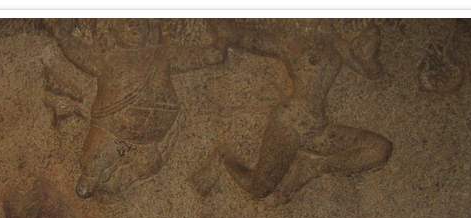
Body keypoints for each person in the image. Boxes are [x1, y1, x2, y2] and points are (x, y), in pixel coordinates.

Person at [194, 20, 393, 204]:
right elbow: (252, 40)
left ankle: (314, 166)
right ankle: (223, 157)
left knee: (379, 149)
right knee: (258, 189)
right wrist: (223, 30)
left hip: (317, 128)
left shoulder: (337, 44)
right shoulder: (295, 40)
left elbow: (372, 70)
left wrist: (370, 43)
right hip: (290, 122)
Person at [52, 19, 224, 198]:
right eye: (128, 22)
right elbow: (66, 41)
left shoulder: (163, 55)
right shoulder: (106, 58)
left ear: (149, 28)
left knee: (147, 165)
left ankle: (119, 184)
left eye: (140, 22)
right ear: (113, 28)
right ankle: (99, 182)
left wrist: (221, 32)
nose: (135, 26)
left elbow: (211, 56)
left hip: (149, 141)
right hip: (110, 132)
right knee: (90, 173)